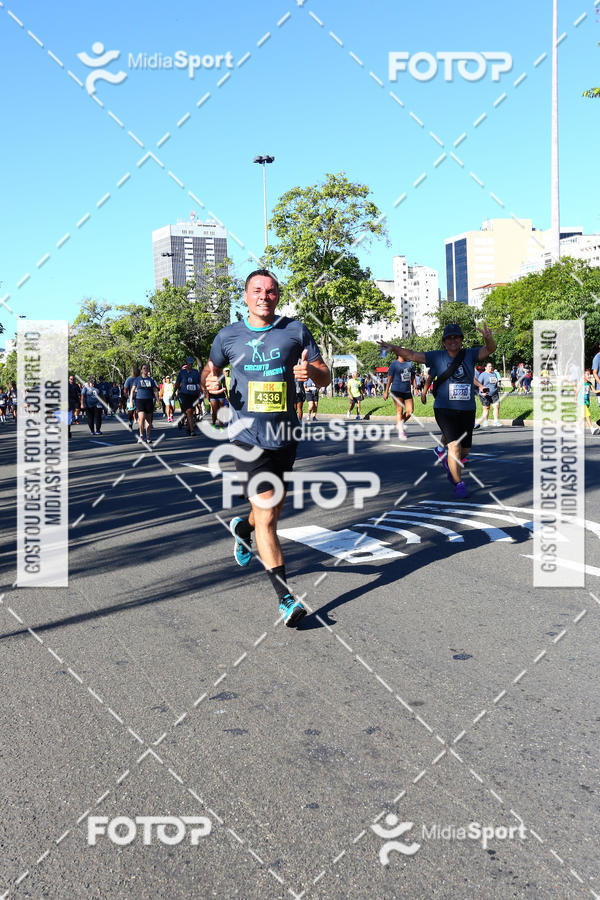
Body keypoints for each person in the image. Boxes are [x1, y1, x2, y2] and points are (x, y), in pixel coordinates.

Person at [202, 268, 330, 627]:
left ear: (278, 296)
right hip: (246, 437)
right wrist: (211, 384)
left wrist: (312, 376)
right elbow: (209, 371)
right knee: (269, 515)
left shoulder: (295, 330)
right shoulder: (228, 336)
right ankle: (286, 600)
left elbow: (326, 373)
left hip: (285, 435)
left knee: (266, 515)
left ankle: (243, 529)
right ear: (245, 296)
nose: (264, 296)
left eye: (271, 291)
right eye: (257, 290)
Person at [380, 322, 496, 499]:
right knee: (454, 447)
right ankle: (458, 483)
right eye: (449, 338)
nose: (452, 340)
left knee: (465, 450)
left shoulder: (470, 354)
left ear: (461, 340)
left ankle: (443, 454)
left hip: (467, 409)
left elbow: (490, 349)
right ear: (443, 342)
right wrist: (394, 347)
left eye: (456, 337)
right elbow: (411, 354)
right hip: (444, 408)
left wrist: (489, 338)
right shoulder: (436, 356)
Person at [384, 353, 415, 439]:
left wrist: (415, 386)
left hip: (407, 390)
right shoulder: (394, 364)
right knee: (400, 410)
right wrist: (386, 391)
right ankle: (401, 431)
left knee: (410, 411)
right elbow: (389, 378)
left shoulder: (409, 364)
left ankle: (399, 424)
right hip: (396, 390)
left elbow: (413, 376)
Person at [131, 364, 159, 443]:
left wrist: (158, 401)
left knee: (148, 420)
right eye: (144, 368)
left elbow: (155, 391)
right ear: (141, 370)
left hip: (149, 400)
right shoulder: (137, 379)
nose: (145, 369)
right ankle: (141, 435)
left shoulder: (151, 380)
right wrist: (131, 401)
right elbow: (132, 391)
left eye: (147, 368)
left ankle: (148, 436)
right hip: (140, 400)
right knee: (142, 418)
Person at [175, 356, 203, 435]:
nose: (190, 365)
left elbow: (200, 382)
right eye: (189, 363)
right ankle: (192, 430)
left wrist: (203, 391)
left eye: (191, 363)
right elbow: (177, 383)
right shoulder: (182, 373)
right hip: (184, 394)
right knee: (188, 411)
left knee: (192, 411)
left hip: (194, 394)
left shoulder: (196, 372)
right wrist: (174, 392)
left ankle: (188, 427)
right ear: (187, 364)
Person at [474, 361, 502, 427]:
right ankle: (486, 421)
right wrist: (482, 392)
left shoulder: (494, 374)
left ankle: (496, 421)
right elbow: (479, 384)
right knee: (486, 408)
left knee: (496, 406)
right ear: (485, 367)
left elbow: (494, 383)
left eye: (491, 366)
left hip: (494, 394)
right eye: (489, 366)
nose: (491, 367)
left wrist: (497, 388)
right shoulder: (483, 375)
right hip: (485, 394)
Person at [576, 369, 599, 434]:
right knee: (587, 414)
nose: (589, 376)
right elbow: (576, 392)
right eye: (587, 374)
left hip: (587, 402)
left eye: (590, 375)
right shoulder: (581, 382)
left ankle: (577, 427)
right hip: (581, 401)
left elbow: (594, 391)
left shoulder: (589, 383)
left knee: (582, 416)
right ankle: (592, 429)